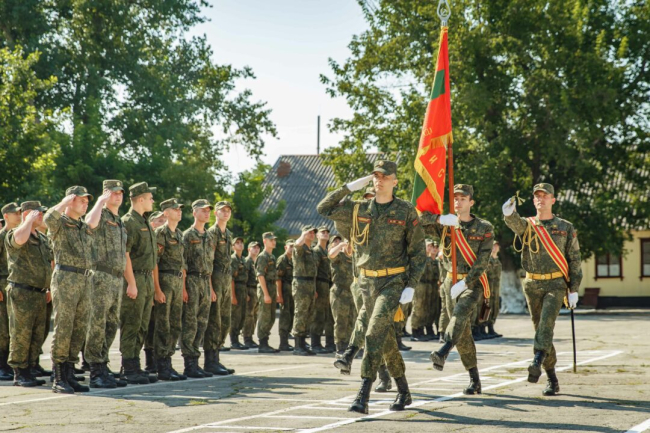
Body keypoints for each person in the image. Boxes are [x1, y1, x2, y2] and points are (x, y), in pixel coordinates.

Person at [317, 160, 426, 414]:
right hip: (366, 283)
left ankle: (363, 394)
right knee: (385, 340)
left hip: (392, 282)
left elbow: (418, 253)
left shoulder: (405, 211)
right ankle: (404, 391)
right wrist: (349, 187)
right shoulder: (359, 209)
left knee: (373, 333)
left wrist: (411, 285)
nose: (379, 180)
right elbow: (324, 208)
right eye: (376, 176)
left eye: (385, 177)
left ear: (395, 181)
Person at [503, 183, 582, 396]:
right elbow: (515, 224)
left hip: (556, 284)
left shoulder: (565, 227)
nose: (540, 199)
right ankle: (552, 378)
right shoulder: (528, 225)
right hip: (532, 284)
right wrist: (509, 214)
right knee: (541, 330)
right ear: (533, 200)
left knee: (546, 324)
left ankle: (537, 360)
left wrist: (573, 288)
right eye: (537, 196)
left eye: (545, 196)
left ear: (553, 200)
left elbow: (574, 259)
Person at [421, 184, 494, 395]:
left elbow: (483, 260)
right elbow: (417, 219)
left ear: (471, 202)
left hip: (472, 283)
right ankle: (474, 379)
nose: (458, 202)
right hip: (449, 283)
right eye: (455, 198)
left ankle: (443, 350)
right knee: (462, 333)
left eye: (463, 199)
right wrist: (439, 219)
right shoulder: (446, 225)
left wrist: (466, 282)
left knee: (460, 315)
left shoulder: (484, 227)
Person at [45, 186, 97, 394]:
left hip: (84, 279)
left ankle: (69, 372)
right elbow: (48, 218)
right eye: (81, 200)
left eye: (87, 201)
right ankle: (58, 376)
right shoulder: (60, 222)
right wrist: (64, 202)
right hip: (66, 278)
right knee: (64, 326)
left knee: (79, 327)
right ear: (70, 201)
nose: (85, 204)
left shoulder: (82, 226)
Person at [84, 180, 128, 388]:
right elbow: (89, 224)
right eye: (113, 193)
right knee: (97, 324)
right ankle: (95, 370)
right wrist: (100, 201)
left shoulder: (119, 220)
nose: (117, 196)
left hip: (116, 278)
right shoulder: (100, 214)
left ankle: (103, 364)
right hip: (100, 276)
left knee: (111, 324)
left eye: (120, 193)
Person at [4, 201, 52, 387]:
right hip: (22, 291)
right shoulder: (15, 233)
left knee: (37, 334)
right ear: (27, 214)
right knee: (21, 334)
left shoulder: (42, 238)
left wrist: (48, 287)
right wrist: (28, 221)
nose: (41, 216)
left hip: (40, 292)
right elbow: (19, 240)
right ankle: (19, 372)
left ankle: (30, 368)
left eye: (41, 213)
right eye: (37, 213)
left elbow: (48, 263)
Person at [120, 182, 158, 385]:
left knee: (142, 324)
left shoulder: (144, 222)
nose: (153, 201)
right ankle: (128, 367)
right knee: (132, 324)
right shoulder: (129, 222)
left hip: (146, 279)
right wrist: (131, 283)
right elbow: (125, 255)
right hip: (135, 277)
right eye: (150, 198)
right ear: (140, 199)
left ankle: (135, 365)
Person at [181, 199, 217, 378]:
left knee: (202, 323)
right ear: (194, 213)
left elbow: (209, 264)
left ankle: (196, 361)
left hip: (205, 282)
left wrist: (211, 288)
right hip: (192, 280)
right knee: (190, 323)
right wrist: (183, 288)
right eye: (203, 210)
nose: (207, 213)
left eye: (208, 211)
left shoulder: (209, 237)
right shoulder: (188, 235)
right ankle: (189, 363)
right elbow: (183, 264)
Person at [152, 198, 187, 381]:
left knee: (175, 324)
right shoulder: (160, 233)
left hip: (177, 282)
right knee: (163, 325)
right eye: (175, 209)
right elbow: (155, 263)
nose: (179, 211)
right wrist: (157, 289)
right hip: (165, 280)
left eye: (180, 209)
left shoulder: (179, 234)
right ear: (166, 213)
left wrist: (183, 288)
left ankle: (169, 361)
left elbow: (182, 264)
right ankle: (162, 365)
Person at [205, 201, 235, 375]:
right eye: (222, 210)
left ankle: (216, 356)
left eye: (228, 210)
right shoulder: (211, 233)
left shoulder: (228, 234)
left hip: (225, 279)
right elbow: (208, 262)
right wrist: (210, 287)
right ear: (215, 213)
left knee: (225, 320)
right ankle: (210, 360)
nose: (226, 213)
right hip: (215, 277)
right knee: (214, 321)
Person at [0, 202, 22, 381]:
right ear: (6, 216)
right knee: (3, 328)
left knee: (16, 327)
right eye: (15, 213)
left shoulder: (19, 235)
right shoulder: (2, 235)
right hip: (2, 282)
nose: (19, 215)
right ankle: (2, 365)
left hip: (16, 283)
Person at [291, 225, 318, 356]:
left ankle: (303, 343)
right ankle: (297, 345)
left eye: (313, 233)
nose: (312, 234)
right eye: (309, 232)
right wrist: (303, 234)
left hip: (310, 284)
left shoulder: (311, 250)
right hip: (301, 284)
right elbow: (296, 245)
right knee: (300, 313)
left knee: (308, 314)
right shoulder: (300, 248)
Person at [328, 235, 355, 354]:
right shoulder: (338, 256)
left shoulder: (354, 257)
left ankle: (349, 346)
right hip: (339, 292)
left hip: (352, 292)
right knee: (340, 321)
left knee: (352, 320)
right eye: (348, 242)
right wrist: (341, 245)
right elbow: (331, 254)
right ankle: (340, 347)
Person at [255, 232, 280, 353]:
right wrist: (266, 294)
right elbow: (260, 275)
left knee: (271, 317)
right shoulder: (262, 256)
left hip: (272, 287)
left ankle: (266, 341)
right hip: (265, 288)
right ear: (265, 241)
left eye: (274, 240)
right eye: (271, 240)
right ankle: (262, 344)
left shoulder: (272, 257)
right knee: (264, 316)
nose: (274, 242)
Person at [410, 239, 437, 342]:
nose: (430, 248)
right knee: (418, 308)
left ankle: (421, 329)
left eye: (431, 246)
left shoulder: (429, 259)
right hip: (419, 284)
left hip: (428, 285)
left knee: (426, 308)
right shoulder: (419, 258)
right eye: (428, 246)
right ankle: (415, 330)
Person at [230, 236, 249, 350]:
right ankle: (234, 341)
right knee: (235, 316)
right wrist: (233, 296)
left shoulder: (244, 259)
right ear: (233, 247)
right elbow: (231, 278)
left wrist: (246, 293)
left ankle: (237, 339)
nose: (240, 244)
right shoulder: (233, 259)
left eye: (241, 242)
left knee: (242, 315)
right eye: (237, 243)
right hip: (236, 288)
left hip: (243, 288)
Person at [276, 239, 295, 352]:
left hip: (292, 291)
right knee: (285, 316)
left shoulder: (293, 259)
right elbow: (278, 278)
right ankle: (283, 343)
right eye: (290, 246)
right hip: (284, 290)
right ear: (285, 247)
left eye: (294, 246)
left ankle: (286, 341)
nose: (292, 249)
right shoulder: (282, 259)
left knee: (291, 315)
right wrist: (279, 295)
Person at [242, 241, 261, 348]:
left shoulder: (257, 261)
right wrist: (246, 293)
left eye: (258, 248)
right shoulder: (246, 262)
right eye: (254, 247)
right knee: (248, 315)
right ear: (249, 249)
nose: (256, 249)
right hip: (249, 289)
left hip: (256, 290)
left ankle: (250, 336)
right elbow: (244, 279)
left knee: (254, 315)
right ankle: (247, 337)